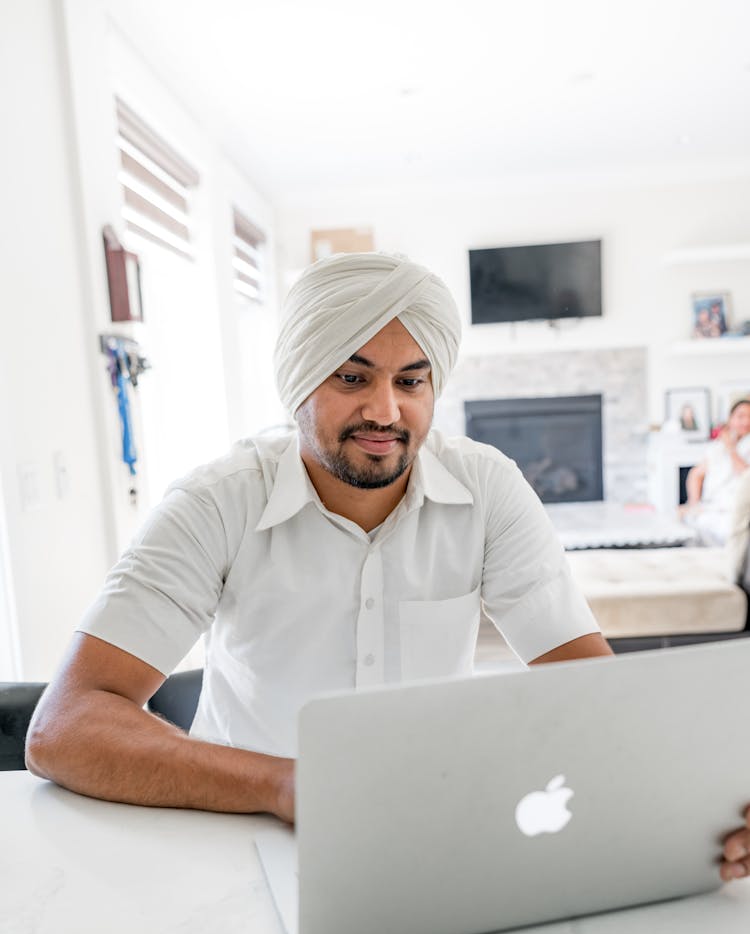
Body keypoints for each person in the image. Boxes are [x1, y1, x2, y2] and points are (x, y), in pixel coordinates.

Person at [26, 252, 750, 882]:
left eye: (412, 381)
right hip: (236, 838)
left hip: (437, 836)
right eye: (352, 377)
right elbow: (65, 726)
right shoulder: (216, 502)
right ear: (300, 382)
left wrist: (704, 795)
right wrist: (289, 788)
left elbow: (590, 684)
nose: (386, 410)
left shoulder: (487, 487)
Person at [682, 399, 750, 545]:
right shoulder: (717, 447)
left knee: (727, 529)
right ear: (730, 419)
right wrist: (694, 503)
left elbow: (746, 476)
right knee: (688, 522)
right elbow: (695, 474)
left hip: (736, 508)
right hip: (712, 506)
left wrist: (731, 449)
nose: (746, 421)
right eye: (741, 416)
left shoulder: (740, 446)